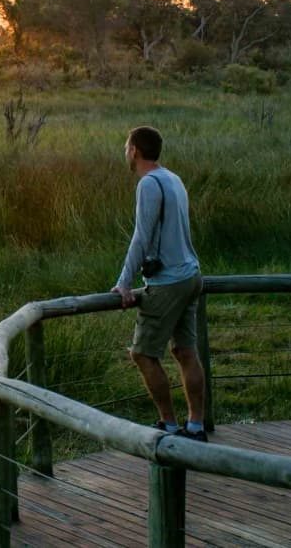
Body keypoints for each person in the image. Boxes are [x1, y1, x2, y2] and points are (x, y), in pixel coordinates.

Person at [111, 125, 207, 441]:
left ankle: (168, 424)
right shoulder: (173, 179)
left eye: (127, 147)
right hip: (191, 275)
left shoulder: (149, 184)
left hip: (168, 282)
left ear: (135, 150)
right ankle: (195, 426)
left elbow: (142, 235)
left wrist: (124, 283)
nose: (126, 152)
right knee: (185, 350)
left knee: (142, 354)